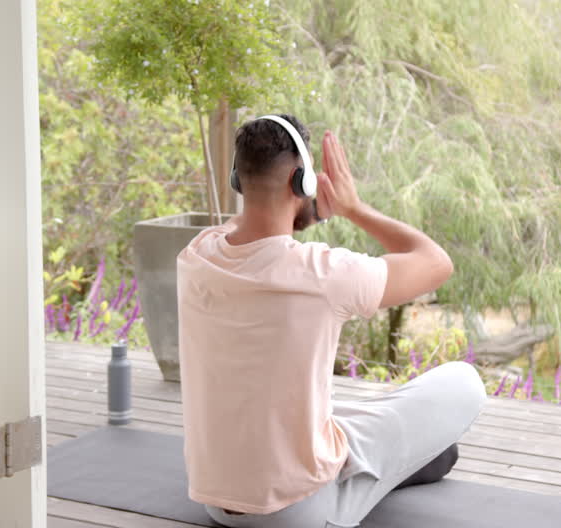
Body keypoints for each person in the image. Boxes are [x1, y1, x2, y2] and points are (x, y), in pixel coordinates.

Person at [176, 114, 487, 528]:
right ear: (302, 182)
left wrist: (303, 209)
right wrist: (353, 208)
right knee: (463, 382)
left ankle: (396, 461)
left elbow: (247, 232)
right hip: (298, 512)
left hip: (217, 503)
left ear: (237, 180)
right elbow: (435, 263)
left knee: (324, 411)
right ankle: (388, 468)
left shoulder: (197, 256)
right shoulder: (322, 274)